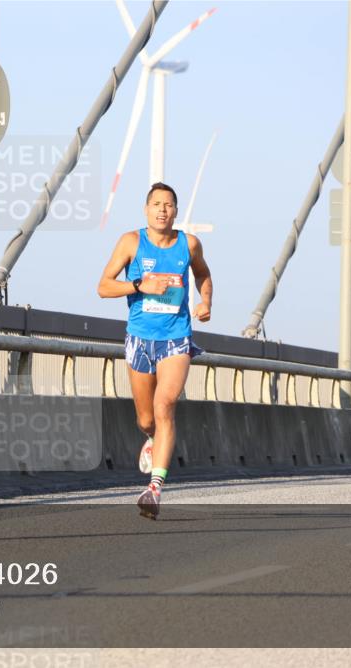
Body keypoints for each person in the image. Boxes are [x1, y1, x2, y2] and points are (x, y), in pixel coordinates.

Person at [96, 182, 213, 519]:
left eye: (169, 204)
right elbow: (103, 287)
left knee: (166, 405)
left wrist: (205, 301)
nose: (163, 209)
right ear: (146, 210)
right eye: (157, 204)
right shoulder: (131, 242)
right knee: (147, 418)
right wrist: (138, 285)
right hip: (139, 338)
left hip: (176, 338)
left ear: (176, 211)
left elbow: (203, 274)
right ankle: (151, 437)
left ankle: (154, 489)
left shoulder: (188, 244)